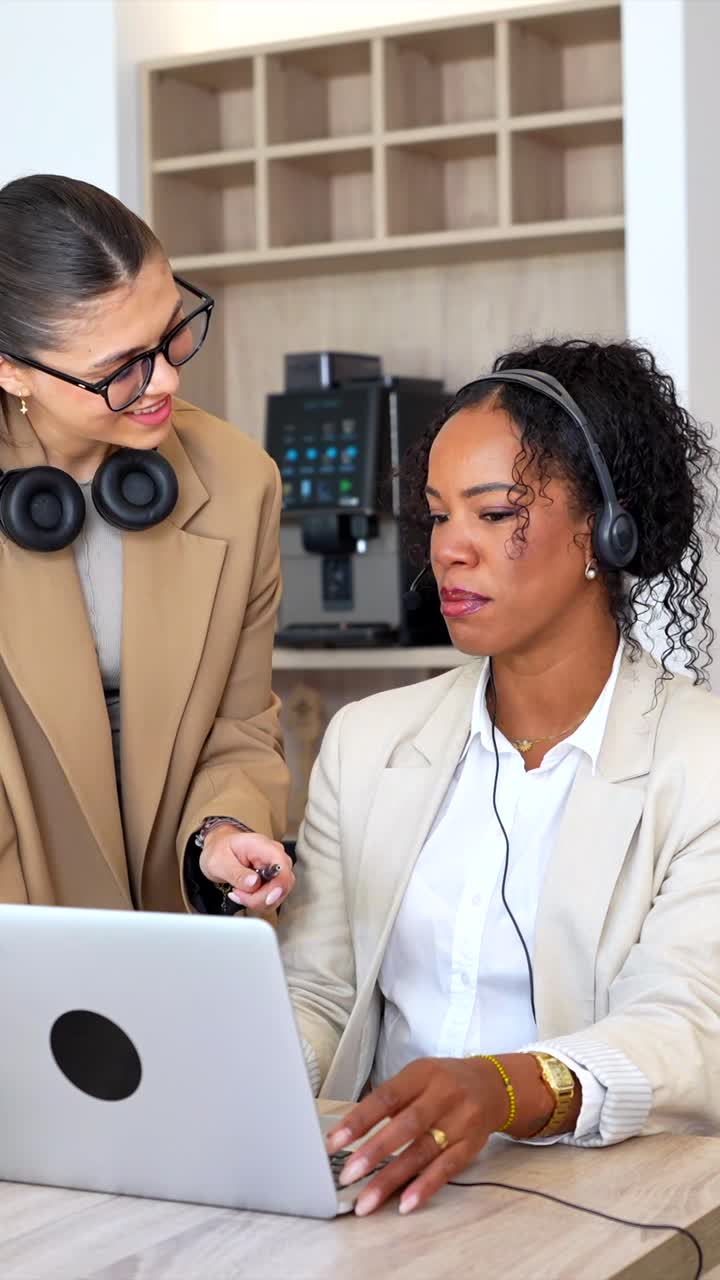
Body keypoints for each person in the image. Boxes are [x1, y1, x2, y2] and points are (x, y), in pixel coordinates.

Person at [279, 338, 720, 1217]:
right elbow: (319, 994)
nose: (451, 550)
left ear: (601, 525)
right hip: (382, 1194)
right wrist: (232, 1095)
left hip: (604, 1204)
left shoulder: (701, 761)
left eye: (493, 513)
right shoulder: (366, 743)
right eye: (439, 516)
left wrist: (504, 1088)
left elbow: (687, 1027)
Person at [0, 173, 294, 914]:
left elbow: (240, 725)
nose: (164, 378)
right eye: (119, 369)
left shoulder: (236, 482)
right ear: (9, 369)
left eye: (172, 333)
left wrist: (221, 831)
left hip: (171, 928)